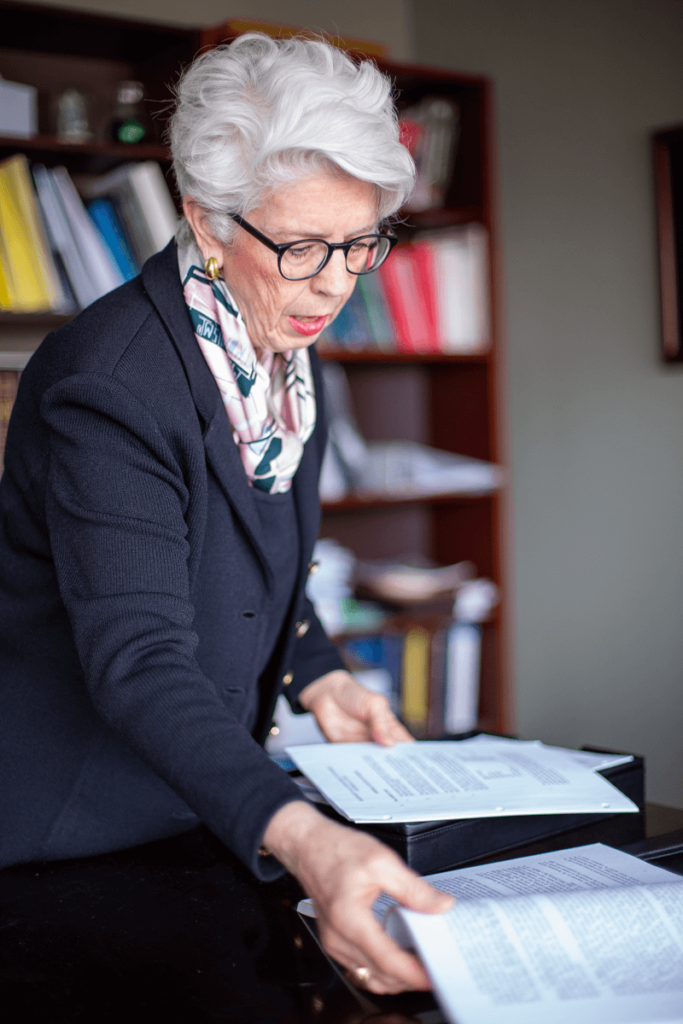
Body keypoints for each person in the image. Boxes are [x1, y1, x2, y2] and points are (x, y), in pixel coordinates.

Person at [0, 34, 453, 993]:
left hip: (200, 806)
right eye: (302, 246)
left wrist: (321, 675)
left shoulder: (285, 347)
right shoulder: (111, 384)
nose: (335, 282)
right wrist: (307, 840)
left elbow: (260, 559)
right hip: (68, 841)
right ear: (207, 223)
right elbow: (139, 656)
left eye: (361, 241)